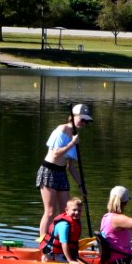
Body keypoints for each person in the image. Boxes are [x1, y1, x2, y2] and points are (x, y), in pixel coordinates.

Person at [36, 103, 92, 241]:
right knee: (50, 212)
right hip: (49, 170)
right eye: (82, 119)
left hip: (61, 173)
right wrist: (71, 144)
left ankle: (61, 243)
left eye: (86, 121)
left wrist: (81, 185)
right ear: (73, 117)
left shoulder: (75, 136)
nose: (84, 123)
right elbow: (55, 155)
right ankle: (43, 243)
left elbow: (71, 167)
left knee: (65, 213)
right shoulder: (62, 129)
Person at [39, 198, 84, 264]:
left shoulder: (75, 221)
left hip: (61, 252)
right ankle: (47, 259)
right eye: (74, 210)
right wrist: (70, 260)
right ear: (67, 210)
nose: (77, 212)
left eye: (79, 211)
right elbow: (64, 243)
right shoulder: (64, 225)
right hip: (54, 253)